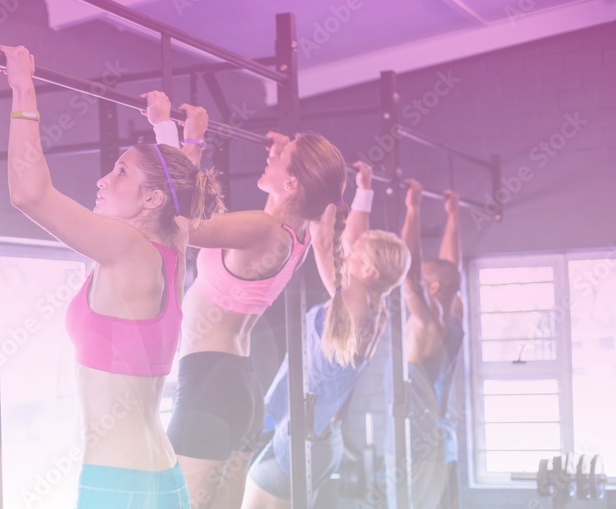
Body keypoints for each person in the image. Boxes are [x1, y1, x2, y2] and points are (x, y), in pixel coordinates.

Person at [0, 46, 226, 509]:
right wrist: (180, 134)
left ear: (149, 202)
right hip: (155, 474)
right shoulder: (169, 249)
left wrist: (24, 90)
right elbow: (176, 191)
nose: (103, 180)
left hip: (120, 484)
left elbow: (29, 193)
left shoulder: (129, 250)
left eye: (119, 171)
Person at [142, 92, 349, 508]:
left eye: (279, 158)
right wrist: (283, 152)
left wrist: (183, 136)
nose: (268, 159)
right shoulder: (296, 235)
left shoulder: (262, 229)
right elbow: (284, 203)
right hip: (238, 388)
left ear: (292, 184)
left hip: (208, 386)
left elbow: (175, 224)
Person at [243, 168, 412, 508]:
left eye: (354, 255)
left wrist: (316, 187)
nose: (347, 253)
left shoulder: (353, 303)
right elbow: (356, 239)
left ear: (368, 271)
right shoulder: (368, 304)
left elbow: (323, 242)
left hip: (303, 444)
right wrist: (363, 191)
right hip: (317, 441)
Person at [397, 180, 465, 509]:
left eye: (428, 283)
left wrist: (413, 209)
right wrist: (453, 218)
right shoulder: (454, 314)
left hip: (419, 447)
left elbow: (408, 274)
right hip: (442, 443)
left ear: (433, 288)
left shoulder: (429, 322)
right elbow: (453, 270)